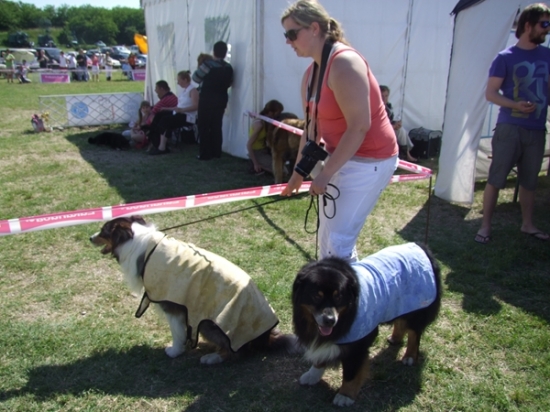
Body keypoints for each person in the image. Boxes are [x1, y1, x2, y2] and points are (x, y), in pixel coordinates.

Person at [280, 0, 399, 262]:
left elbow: (359, 126)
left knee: (337, 242)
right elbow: (311, 131)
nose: (288, 41)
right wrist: (298, 174)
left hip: (371, 160)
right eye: (285, 35)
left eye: (292, 34)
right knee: (329, 240)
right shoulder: (310, 74)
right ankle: (343, 284)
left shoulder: (344, 63)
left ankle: (350, 288)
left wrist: (325, 174)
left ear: (314, 28)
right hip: (342, 157)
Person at [475, 3, 550, 244]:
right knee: (496, 178)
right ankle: (485, 226)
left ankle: (527, 224)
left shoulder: (547, 56)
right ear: (528, 25)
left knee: (530, 181)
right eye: (544, 24)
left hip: (536, 129)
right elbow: (491, 93)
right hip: (510, 128)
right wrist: (515, 105)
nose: (547, 29)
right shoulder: (505, 58)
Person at [192, 41, 233, 160]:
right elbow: (230, 82)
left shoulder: (208, 65)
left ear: (214, 52)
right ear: (225, 53)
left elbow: (195, 78)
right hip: (221, 98)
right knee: (216, 125)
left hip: (207, 99)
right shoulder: (228, 67)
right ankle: (216, 152)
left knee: (204, 126)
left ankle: (205, 153)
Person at [149, 71, 199, 155]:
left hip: (188, 116)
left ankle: (162, 147)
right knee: (159, 115)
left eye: (179, 80)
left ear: (185, 80)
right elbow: (178, 107)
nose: (178, 83)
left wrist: (182, 110)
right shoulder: (184, 91)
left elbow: (196, 106)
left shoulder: (193, 91)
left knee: (165, 120)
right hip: (180, 113)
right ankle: (155, 141)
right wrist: (166, 108)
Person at [380, 85, 417, 162]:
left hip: (387, 128)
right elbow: (380, 126)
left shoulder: (388, 106)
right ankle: (406, 154)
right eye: (382, 96)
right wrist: (393, 126)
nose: (384, 98)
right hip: (380, 132)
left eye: (386, 96)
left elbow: (389, 120)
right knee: (400, 131)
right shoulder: (377, 108)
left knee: (401, 130)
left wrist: (396, 124)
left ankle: (407, 153)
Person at [246, 99, 285, 175]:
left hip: (264, 150)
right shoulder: (259, 125)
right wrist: (256, 164)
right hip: (257, 152)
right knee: (282, 171)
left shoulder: (265, 121)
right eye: (278, 113)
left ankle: (263, 165)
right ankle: (256, 165)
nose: (278, 115)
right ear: (270, 112)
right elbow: (249, 145)